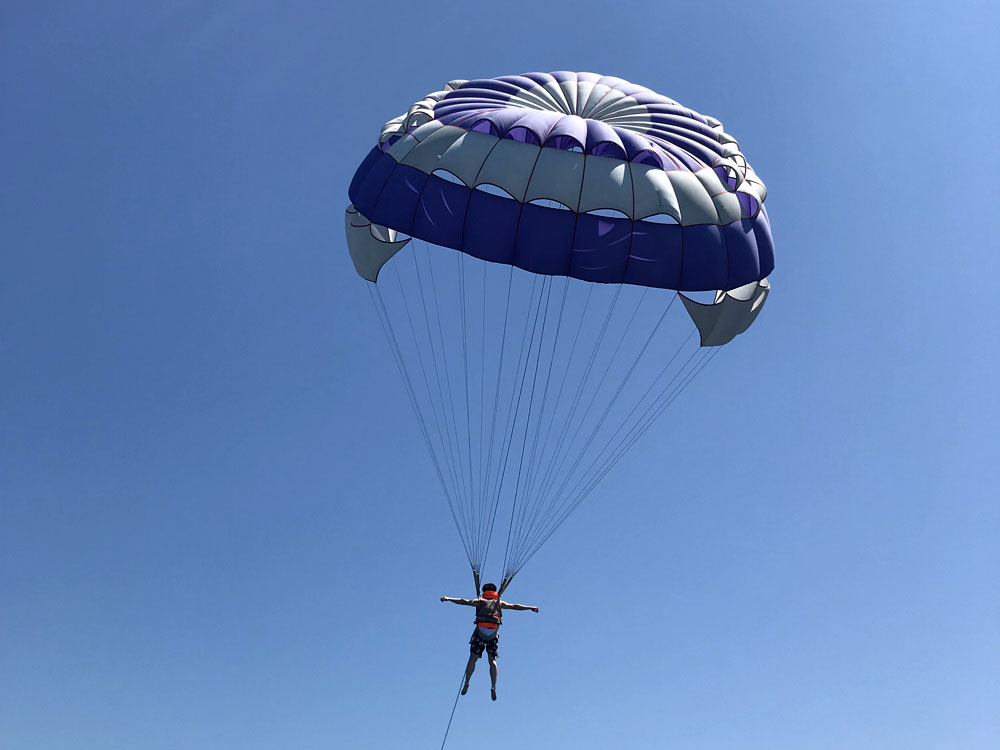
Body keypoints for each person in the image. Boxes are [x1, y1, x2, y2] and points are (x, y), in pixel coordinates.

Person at [440, 583, 539, 701]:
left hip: (480, 633)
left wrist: (448, 599)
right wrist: (530, 607)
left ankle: (467, 682)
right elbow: (514, 606)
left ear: (484, 592)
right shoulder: (499, 603)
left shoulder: (480, 601)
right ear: (494, 592)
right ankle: (493, 686)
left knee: (473, 658)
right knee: (492, 660)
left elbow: (463, 601)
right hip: (492, 635)